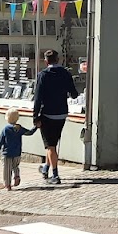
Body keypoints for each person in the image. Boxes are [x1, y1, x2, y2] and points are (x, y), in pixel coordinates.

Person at [33, 48, 77, 185]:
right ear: (58, 60)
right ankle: (46, 168)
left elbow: (38, 98)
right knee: (52, 144)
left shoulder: (43, 75)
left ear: (46, 61)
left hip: (48, 114)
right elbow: (74, 94)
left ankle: (55, 175)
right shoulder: (65, 73)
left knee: (51, 146)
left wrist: (35, 116)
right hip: (62, 113)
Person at [0, 106, 37, 190]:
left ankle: (8, 185)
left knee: (7, 169)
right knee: (16, 166)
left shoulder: (6, 129)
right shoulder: (19, 128)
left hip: (7, 153)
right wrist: (35, 127)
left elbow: (0, 140)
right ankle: (17, 176)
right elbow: (29, 132)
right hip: (17, 152)